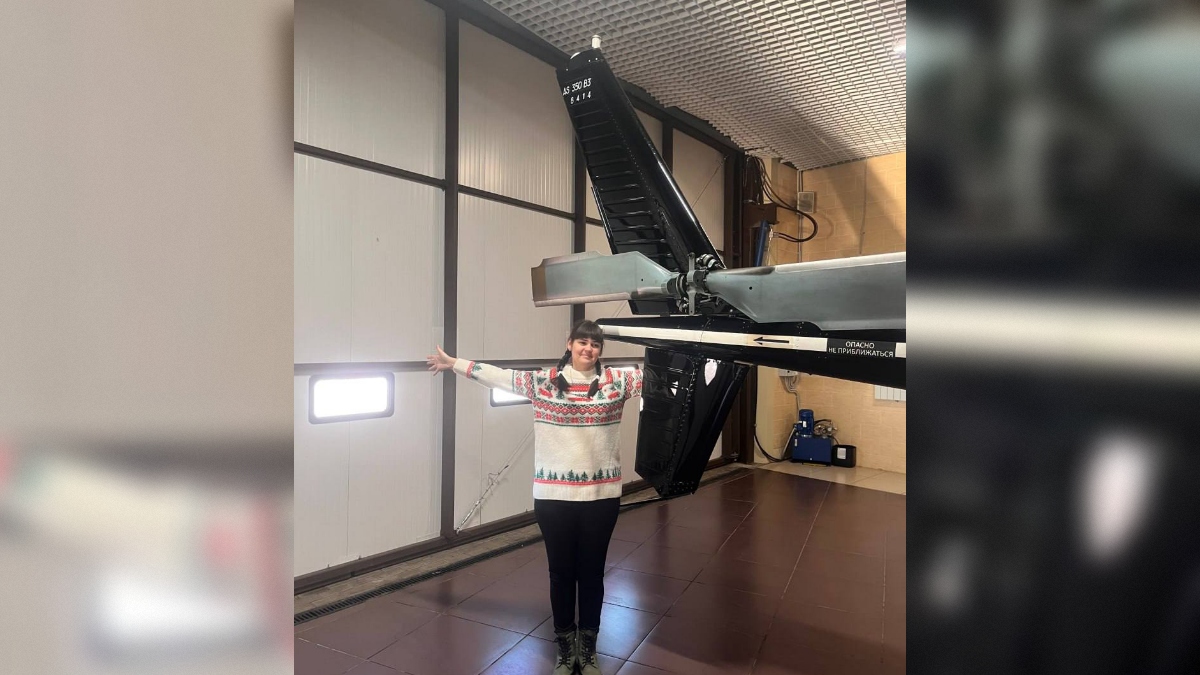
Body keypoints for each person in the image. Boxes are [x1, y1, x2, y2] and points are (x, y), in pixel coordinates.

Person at [427, 319, 642, 675]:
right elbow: (500, 377)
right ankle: (565, 647)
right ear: (569, 344)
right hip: (553, 498)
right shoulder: (544, 382)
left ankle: (588, 649)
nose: (588, 349)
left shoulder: (616, 382)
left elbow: (662, 379)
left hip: (601, 497)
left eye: (595, 344)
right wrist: (455, 364)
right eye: (583, 342)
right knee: (560, 573)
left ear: (600, 350)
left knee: (592, 574)